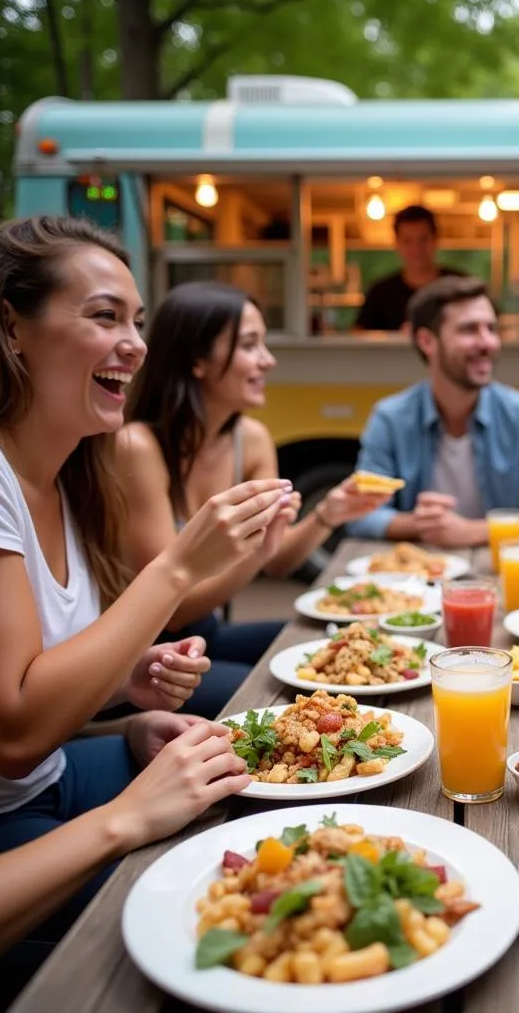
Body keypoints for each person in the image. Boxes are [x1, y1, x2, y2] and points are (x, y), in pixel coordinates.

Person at [0, 215, 290, 1000]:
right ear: (11, 326)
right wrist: (179, 565)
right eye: (104, 316)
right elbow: (13, 734)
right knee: (231, 913)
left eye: (139, 322)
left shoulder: (69, 474)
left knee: (263, 797)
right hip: (6, 813)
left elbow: (31, 689)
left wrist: (126, 701)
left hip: (52, 774)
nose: (136, 343)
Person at [118, 281, 390, 715]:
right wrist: (260, 548)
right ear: (197, 360)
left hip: (207, 634)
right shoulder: (137, 446)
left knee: (339, 648)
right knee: (291, 697)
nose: (268, 359)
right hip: (146, 658)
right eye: (249, 345)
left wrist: (326, 514)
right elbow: (173, 613)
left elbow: (278, 561)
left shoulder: (253, 439)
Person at [0, 717, 249, 981]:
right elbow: (15, 729)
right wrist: (125, 818)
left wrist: (128, 725)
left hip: (53, 770)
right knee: (184, 893)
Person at [348, 275, 519, 544]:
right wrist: (425, 524)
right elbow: (360, 514)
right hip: (414, 578)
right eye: (469, 330)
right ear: (427, 341)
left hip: (497, 575)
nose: (488, 343)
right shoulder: (390, 418)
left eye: (491, 329)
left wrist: (474, 531)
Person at [355, 205, 461, 331]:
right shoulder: (380, 294)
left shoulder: (459, 288)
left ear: (435, 240)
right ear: (397, 244)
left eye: (423, 239)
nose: (416, 249)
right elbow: (358, 338)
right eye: (407, 241)